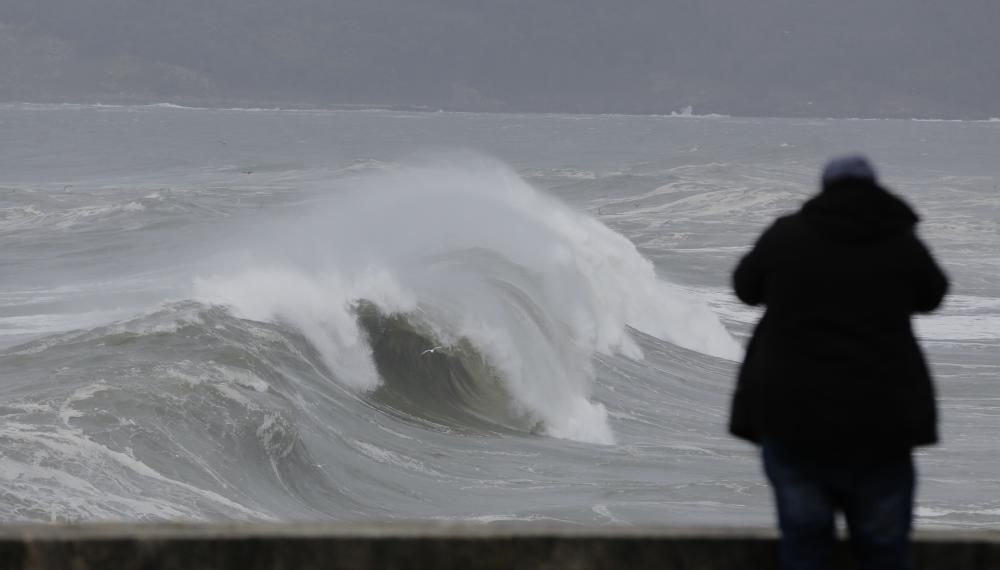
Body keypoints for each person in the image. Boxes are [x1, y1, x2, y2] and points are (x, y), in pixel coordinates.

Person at [729, 155, 949, 570]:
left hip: (793, 416)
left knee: (805, 542)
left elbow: (745, 287)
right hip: (881, 420)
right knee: (884, 548)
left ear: (825, 187)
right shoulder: (899, 240)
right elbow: (933, 294)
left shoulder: (788, 235)